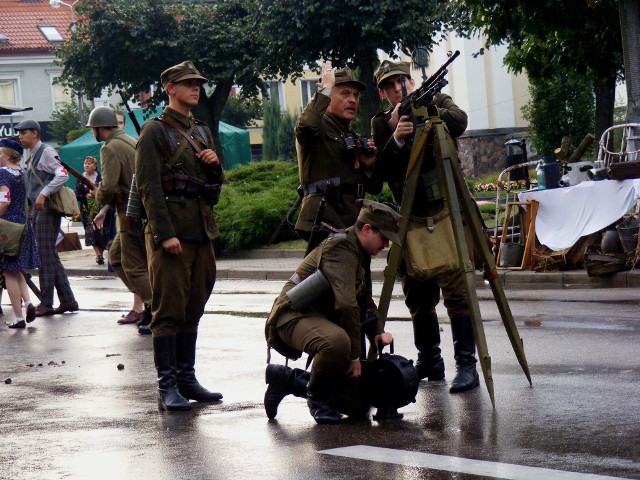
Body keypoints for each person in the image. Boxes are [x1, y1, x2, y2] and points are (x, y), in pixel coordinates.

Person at [370, 60, 479, 393]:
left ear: (411, 80)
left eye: (401, 81)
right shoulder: (382, 123)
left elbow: (459, 123)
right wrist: (397, 138)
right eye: (389, 85)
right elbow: (378, 177)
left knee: (457, 289)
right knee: (417, 294)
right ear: (383, 92)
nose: (397, 88)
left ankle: (467, 365)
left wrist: (430, 109)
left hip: (446, 213)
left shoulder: (438, 102)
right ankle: (430, 359)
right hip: (411, 219)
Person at [135, 60, 224, 411]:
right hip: (172, 234)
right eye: (188, 83)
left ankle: (187, 378)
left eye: (198, 83)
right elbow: (148, 188)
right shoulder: (154, 131)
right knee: (168, 310)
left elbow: (214, 191)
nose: (195, 88)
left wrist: (215, 167)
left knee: (194, 307)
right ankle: (167, 385)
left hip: (201, 231)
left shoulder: (202, 130)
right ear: (170, 88)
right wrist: (164, 233)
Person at [264, 200, 401, 424]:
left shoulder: (360, 252)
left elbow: (365, 302)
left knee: (357, 405)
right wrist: (355, 356)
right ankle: (315, 399)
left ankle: (286, 380)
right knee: (337, 342)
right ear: (367, 230)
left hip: (320, 320)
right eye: (384, 238)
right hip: (293, 316)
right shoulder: (341, 249)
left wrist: (377, 331)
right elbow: (346, 305)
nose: (385, 245)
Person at [295, 62, 379, 247]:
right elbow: (307, 126)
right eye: (345, 93)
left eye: (356, 95)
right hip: (324, 219)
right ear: (329, 96)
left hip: (350, 220)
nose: (353, 100)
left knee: (357, 275)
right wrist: (325, 89)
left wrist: (367, 165)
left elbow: (374, 188)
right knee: (336, 274)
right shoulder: (318, 127)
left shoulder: (350, 134)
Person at [87, 106, 152, 334]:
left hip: (128, 211)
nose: (94, 133)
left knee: (133, 266)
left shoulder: (109, 148)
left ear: (99, 128)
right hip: (138, 208)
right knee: (115, 257)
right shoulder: (129, 140)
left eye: (94, 129)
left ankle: (154, 309)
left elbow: (109, 185)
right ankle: (149, 303)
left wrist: (98, 197)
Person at [15, 119, 78, 317]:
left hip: (47, 208)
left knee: (44, 255)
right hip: (39, 209)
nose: (20, 136)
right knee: (50, 255)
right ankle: (68, 301)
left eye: (23, 132)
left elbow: (62, 174)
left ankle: (47, 302)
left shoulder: (46, 151)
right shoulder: (33, 153)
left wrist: (44, 193)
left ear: (34, 133)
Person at [0, 139, 39, 328]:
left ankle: (18, 317)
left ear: (7, 155)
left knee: (8, 272)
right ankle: (29, 302)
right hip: (23, 225)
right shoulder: (21, 173)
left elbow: (4, 200)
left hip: (8, 227)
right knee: (17, 269)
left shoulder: (3, 174)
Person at [114, 109, 146, 325]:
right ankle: (144, 303)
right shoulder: (115, 146)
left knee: (135, 262)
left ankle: (145, 306)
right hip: (122, 210)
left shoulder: (128, 145)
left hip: (134, 210)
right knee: (117, 257)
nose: (116, 126)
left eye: (119, 122)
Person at [74, 156, 105, 265]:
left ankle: (101, 252)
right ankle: (98, 255)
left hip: (99, 208)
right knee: (90, 231)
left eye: (90, 163)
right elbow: (77, 194)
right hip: (86, 209)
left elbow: (105, 191)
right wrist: (85, 195)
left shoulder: (100, 177)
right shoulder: (80, 179)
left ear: (95, 166)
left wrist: (96, 194)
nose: (87, 165)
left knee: (100, 232)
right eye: (85, 163)